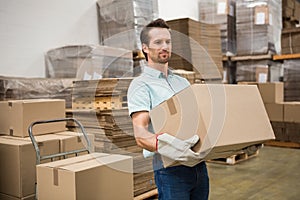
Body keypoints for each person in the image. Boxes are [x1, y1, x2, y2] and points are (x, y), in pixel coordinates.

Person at [127, 18, 209, 200]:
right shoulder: (141, 86)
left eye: (168, 41)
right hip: (170, 171)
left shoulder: (182, 82)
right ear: (145, 48)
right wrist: (175, 149)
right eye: (158, 42)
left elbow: (199, 119)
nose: (164, 46)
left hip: (199, 167)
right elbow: (140, 135)